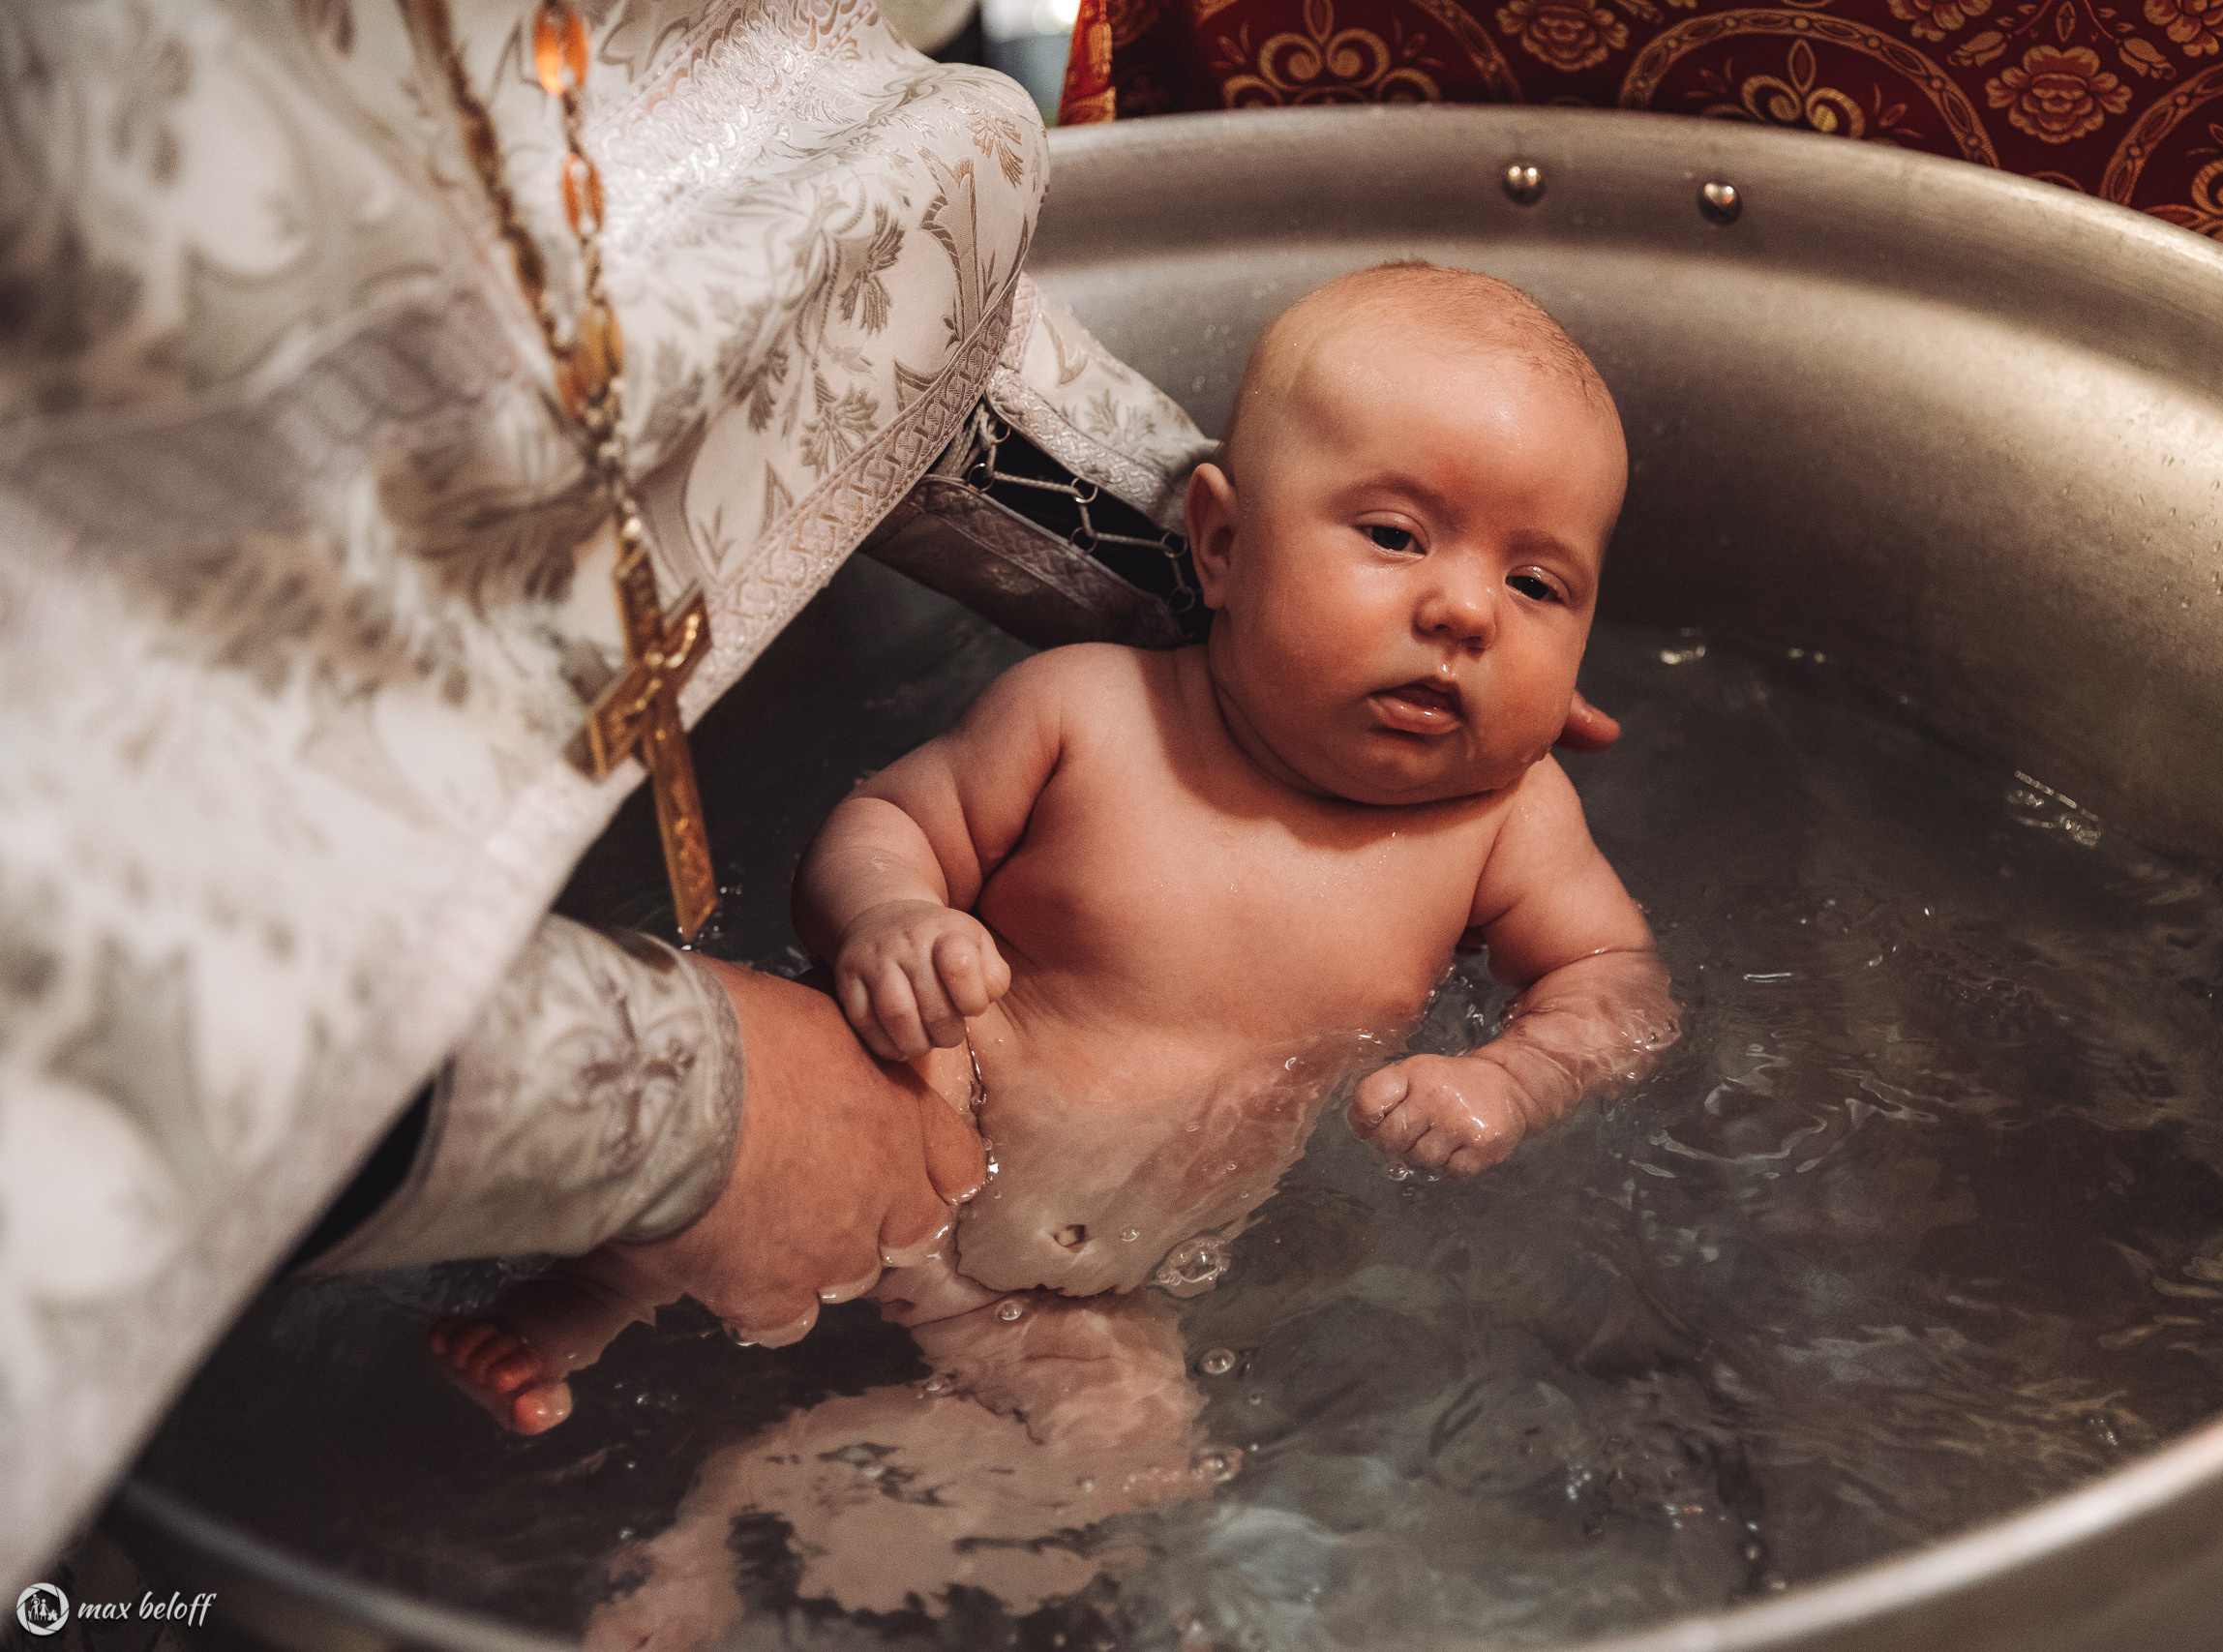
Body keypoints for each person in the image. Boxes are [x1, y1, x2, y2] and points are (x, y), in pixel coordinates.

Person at [432, 260, 1682, 1440]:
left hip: (1078, 1294)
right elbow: (889, 823)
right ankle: (598, 1292)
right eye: (1397, 537)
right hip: (905, 1101)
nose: (1464, 611)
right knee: (737, 1113)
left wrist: (1513, 1081)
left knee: (1138, 1458)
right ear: (1224, 546)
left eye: (1537, 586)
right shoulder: (1091, 713)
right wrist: (889, 919)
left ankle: (796, 1483)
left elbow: (1619, 985)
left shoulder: (1502, 821)